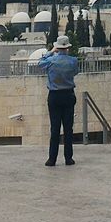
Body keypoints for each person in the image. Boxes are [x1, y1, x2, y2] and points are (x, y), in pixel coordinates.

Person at [39, 35, 79, 167]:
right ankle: (68, 158)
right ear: (68, 47)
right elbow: (74, 73)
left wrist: (51, 51)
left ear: (58, 47)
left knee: (55, 128)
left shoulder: (51, 61)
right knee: (68, 128)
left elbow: (40, 63)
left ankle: (52, 159)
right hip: (68, 95)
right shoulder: (73, 61)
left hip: (54, 96)